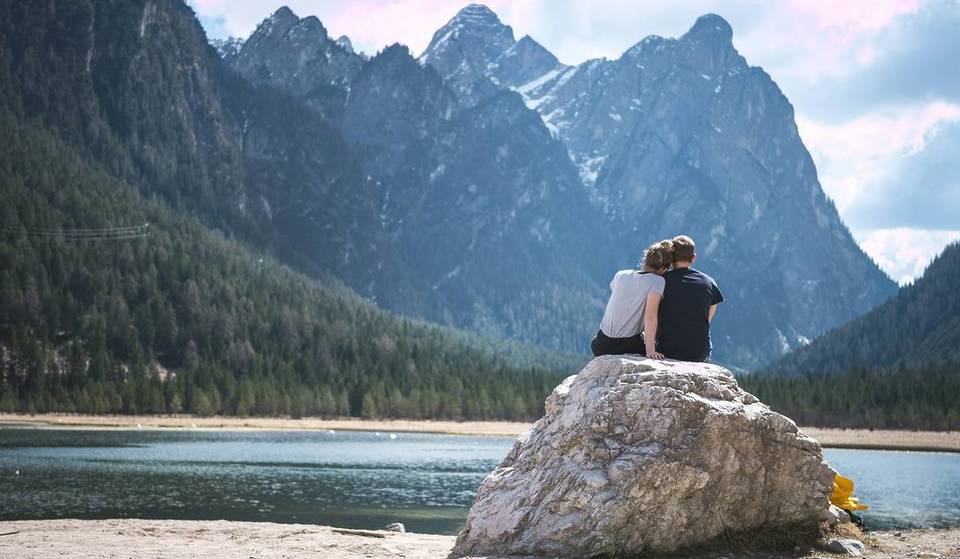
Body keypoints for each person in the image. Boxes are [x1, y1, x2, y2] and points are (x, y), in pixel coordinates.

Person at [591, 240, 674, 358]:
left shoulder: (620, 275)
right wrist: (650, 351)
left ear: (645, 260)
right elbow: (650, 316)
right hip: (626, 345)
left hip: (601, 344)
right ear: (664, 270)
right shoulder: (657, 281)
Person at [656, 235, 723, 362]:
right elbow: (707, 319)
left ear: (670, 258)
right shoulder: (709, 283)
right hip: (699, 352)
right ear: (693, 258)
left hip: (667, 349)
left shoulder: (660, 281)